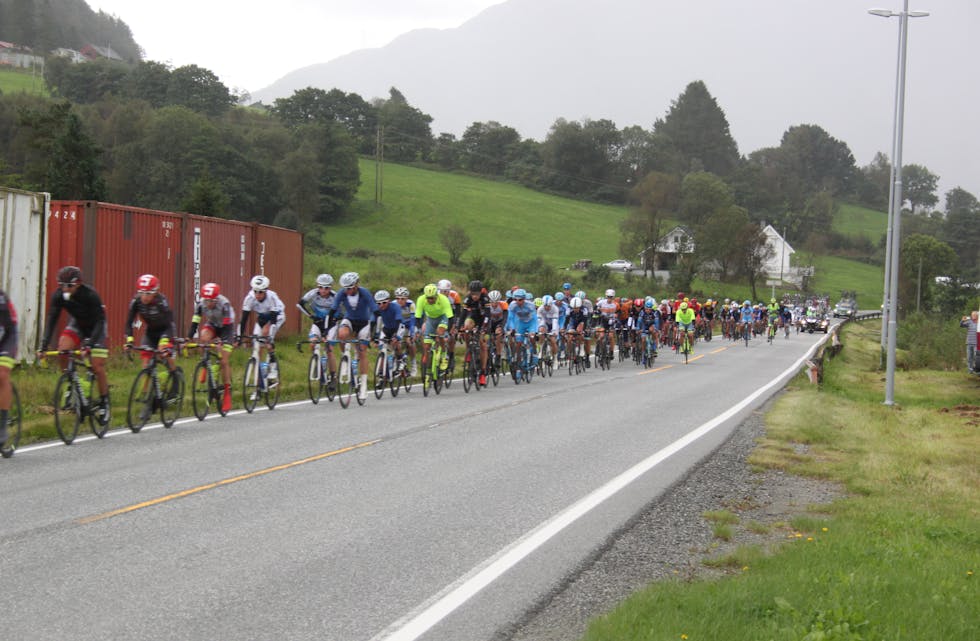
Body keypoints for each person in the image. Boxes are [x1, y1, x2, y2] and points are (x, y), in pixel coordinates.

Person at [39, 266, 111, 426]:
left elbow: (100, 321)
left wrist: (89, 344)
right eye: (61, 285)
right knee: (63, 350)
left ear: (78, 284)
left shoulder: (90, 295)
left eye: (69, 286)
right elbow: (52, 319)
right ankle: (71, 383)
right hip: (78, 325)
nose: (65, 289)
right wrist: (43, 345)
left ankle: (105, 403)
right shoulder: (59, 296)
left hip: (96, 327)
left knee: (97, 366)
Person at [327, 272, 376, 401]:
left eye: (349, 288)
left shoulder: (364, 293)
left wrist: (374, 331)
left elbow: (375, 311)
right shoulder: (342, 293)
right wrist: (328, 325)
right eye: (345, 288)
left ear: (356, 285)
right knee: (342, 334)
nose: (347, 291)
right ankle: (345, 357)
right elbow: (333, 310)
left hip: (364, 323)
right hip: (349, 320)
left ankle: (364, 385)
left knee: (362, 352)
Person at [188, 282, 236, 413]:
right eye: (207, 300)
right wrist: (189, 337)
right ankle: (205, 363)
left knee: (224, 361)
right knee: (203, 339)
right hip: (213, 324)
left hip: (227, 328)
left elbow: (226, 327)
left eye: (212, 301)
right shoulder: (201, 303)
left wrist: (222, 342)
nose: (208, 303)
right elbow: (195, 321)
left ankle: (227, 391)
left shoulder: (224, 304)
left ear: (217, 298)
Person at [238, 274, 286, 395]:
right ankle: (260, 385)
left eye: (260, 292)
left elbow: (273, 321)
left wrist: (269, 338)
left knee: (266, 337)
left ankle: (273, 367)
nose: (258, 295)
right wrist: (239, 336)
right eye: (256, 291)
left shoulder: (272, 298)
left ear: (266, 291)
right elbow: (243, 319)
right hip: (262, 319)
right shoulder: (249, 298)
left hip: (277, 316)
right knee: (256, 348)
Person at [124, 274, 179, 373]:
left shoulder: (161, 301)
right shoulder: (136, 301)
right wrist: (129, 340)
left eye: (148, 293)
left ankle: (174, 375)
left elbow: (170, 321)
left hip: (166, 330)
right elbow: (129, 322)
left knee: (163, 352)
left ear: (155, 293)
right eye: (142, 293)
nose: (144, 297)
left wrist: (166, 340)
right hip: (150, 332)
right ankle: (145, 389)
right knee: (145, 364)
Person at [298, 274, 338, 382]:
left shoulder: (335, 296)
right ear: (317, 286)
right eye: (320, 287)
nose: (323, 290)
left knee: (329, 349)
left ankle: (333, 375)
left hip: (331, 325)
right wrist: (311, 316)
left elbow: (343, 310)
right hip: (318, 323)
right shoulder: (313, 293)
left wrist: (336, 318)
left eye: (326, 288)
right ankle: (317, 362)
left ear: (330, 288)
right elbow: (300, 304)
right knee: (313, 343)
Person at [414, 283, 454, 380]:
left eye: (432, 298)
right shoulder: (421, 300)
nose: (430, 300)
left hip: (442, 317)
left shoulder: (443, 299)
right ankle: (427, 370)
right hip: (431, 320)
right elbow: (418, 317)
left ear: (437, 296)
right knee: (427, 345)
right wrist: (418, 330)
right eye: (428, 298)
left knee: (440, 333)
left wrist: (447, 331)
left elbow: (450, 317)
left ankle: (444, 355)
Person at [457, 280, 491, 386]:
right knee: (466, 326)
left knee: (483, 344)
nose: (474, 296)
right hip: (474, 318)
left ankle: (483, 373)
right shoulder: (468, 298)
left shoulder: (485, 298)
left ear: (480, 292)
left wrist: (484, 329)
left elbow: (487, 315)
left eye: (476, 294)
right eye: (472, 294)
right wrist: (459, 328)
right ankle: (469, 349)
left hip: (484, 321)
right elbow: (463, 314)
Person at [0, 288, 17, 449]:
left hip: (7, 336)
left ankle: (3, 424)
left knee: (2, 375)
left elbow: (5, 327)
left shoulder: (1, 298)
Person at [393, 287, 418, 375]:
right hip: (400, 325)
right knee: (395, 342)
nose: (400, 300)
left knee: (409, 342)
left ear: (406, 298)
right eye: (398, 298)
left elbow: (412, 320)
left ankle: (413, 363)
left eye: (402, 299)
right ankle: (398, 362)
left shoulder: (411, 304)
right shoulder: (393, 304)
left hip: (410, 324)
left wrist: (411, 334)